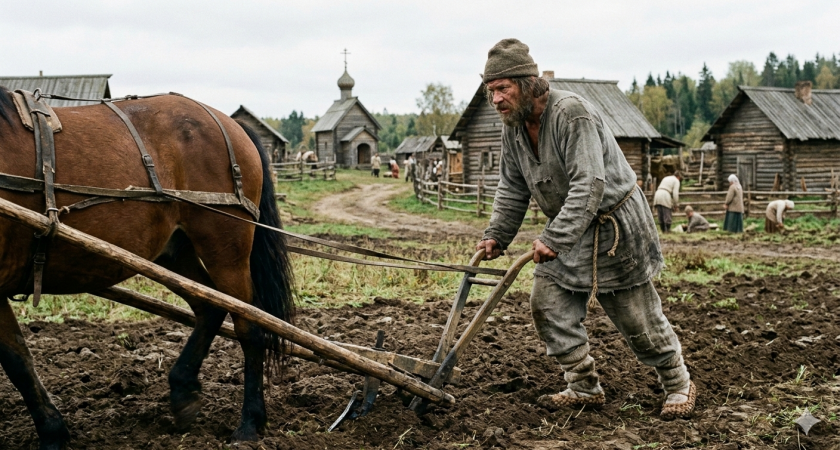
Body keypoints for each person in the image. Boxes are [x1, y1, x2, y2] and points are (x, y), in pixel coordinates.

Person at [475, 38, 695, 419]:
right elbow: (512, 186)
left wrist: (554, 239)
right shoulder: (513, 127)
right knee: (547, 305)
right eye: (490, 91)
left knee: (634, 316)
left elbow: (589, 183)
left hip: (614, 229)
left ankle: (678, 383)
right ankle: (583, 386)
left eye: (502, 89)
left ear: (528, 83)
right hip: (568, 225)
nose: (495, 100)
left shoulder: (571, 113)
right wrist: (497, 234)